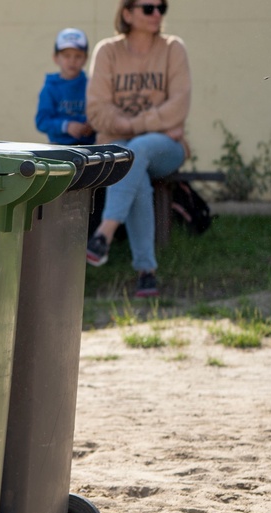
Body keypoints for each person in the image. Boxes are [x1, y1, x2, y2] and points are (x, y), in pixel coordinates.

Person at [84, 0, 190, 298]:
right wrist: (149, 123)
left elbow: (178, 107)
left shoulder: (173, 48)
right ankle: (147, 272)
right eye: (148, 8)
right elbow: (96, 112)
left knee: (138, 150)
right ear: (127, 13)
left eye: (161, 8)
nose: (157, 14)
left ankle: (104, 233)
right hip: (121, 145)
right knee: (132, 164)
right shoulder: (107, 51)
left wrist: (127, 125)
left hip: (165, 148)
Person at [35, 28, 96, 146]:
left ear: (85, 59)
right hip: (59, 148)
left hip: (90, 148)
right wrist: (66, 126)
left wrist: (93, 125)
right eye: (66, 56)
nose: (72, 61)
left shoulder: (92, 85)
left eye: (78, 56)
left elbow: (100, 112)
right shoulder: (50, 89)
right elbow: (42, 121)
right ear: (56, 58)